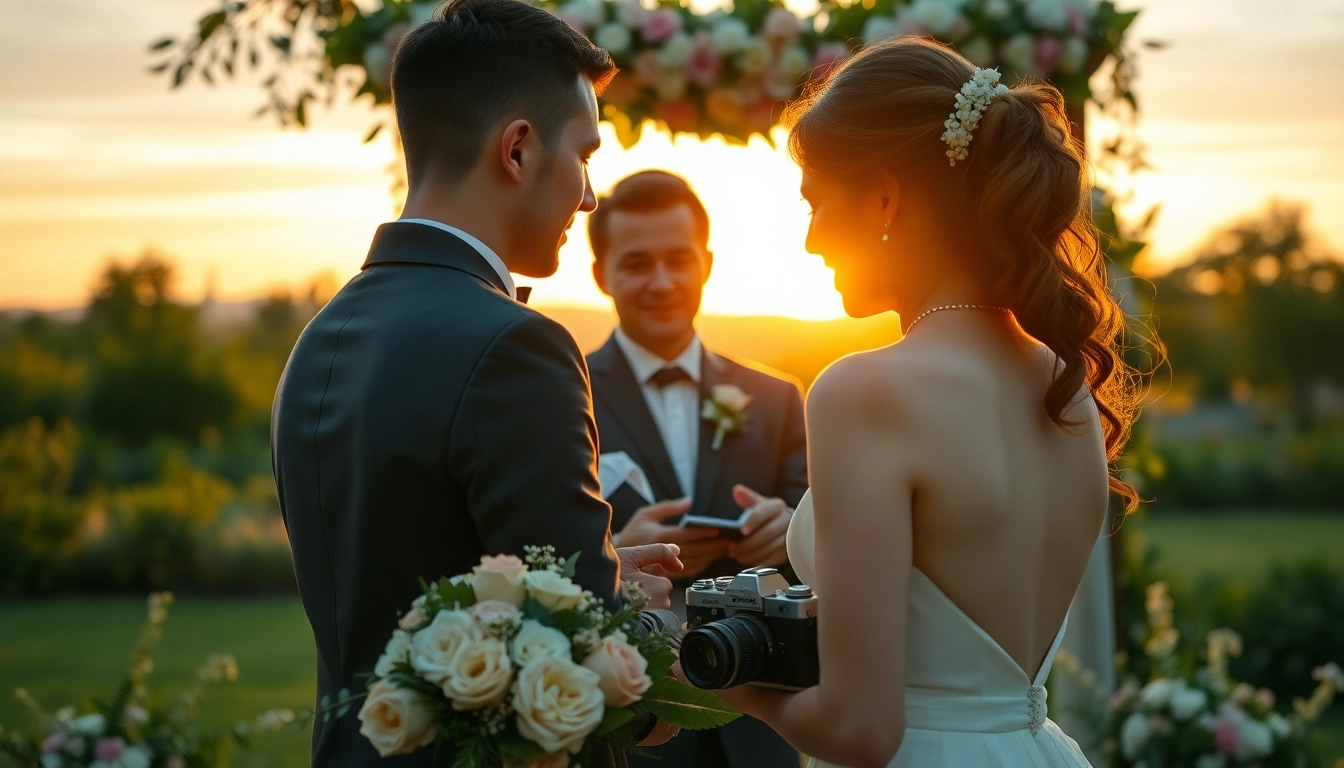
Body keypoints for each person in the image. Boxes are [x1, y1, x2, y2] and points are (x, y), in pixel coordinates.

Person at [700, 38, 1140, 768]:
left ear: (883, 198)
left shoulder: (865, 390)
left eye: (815, 203)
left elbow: (860, 730)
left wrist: (711, 668)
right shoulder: (1065, 385)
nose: (808, 241)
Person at [270, 1, 681, 765]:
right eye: (585, 155)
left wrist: (602, 556)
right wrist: (644, 629)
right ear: (518, 150)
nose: (590, 195)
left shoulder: (317, 339)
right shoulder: (516, 347)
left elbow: (410, 567)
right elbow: (602, 678)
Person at [584, 170, 806, 768]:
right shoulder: (561, 399)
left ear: (705, 263)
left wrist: (789, 525)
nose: (661, 282)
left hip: (762, 713)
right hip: (635, 719)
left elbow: (831, 534)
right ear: (601, 273)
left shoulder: (778, 398)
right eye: (636, 263)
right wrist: (614, 551)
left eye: (678, 260)